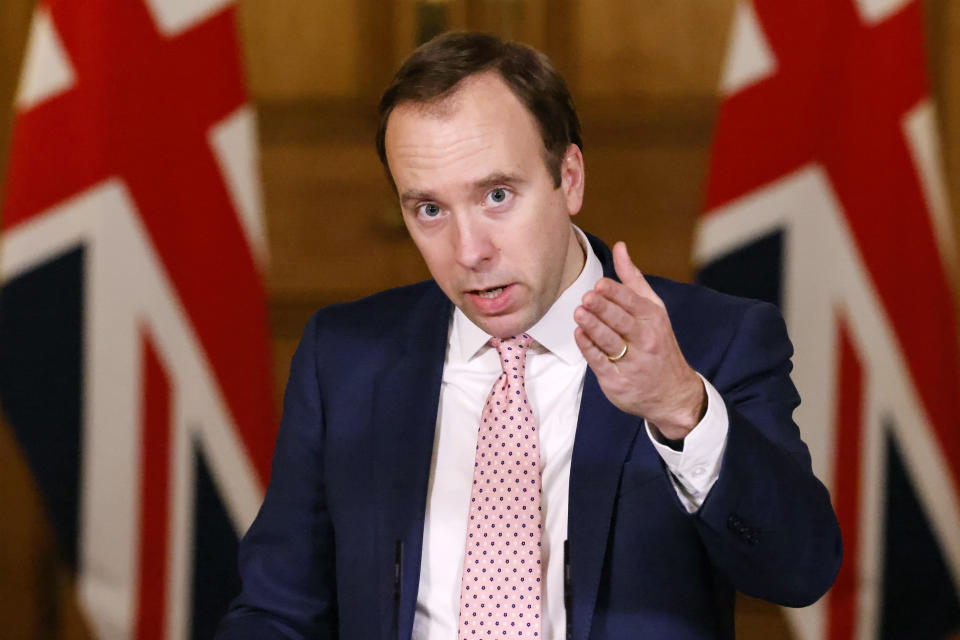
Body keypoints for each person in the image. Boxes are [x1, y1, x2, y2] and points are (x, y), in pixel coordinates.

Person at [216, 31, 841, 640]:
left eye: (496, 195)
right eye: (429, 209)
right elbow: (277, 609)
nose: (468, 252)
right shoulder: (346, 357)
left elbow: (800, 570)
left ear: (568, 177)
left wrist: (680, 405)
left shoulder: (713, 340)